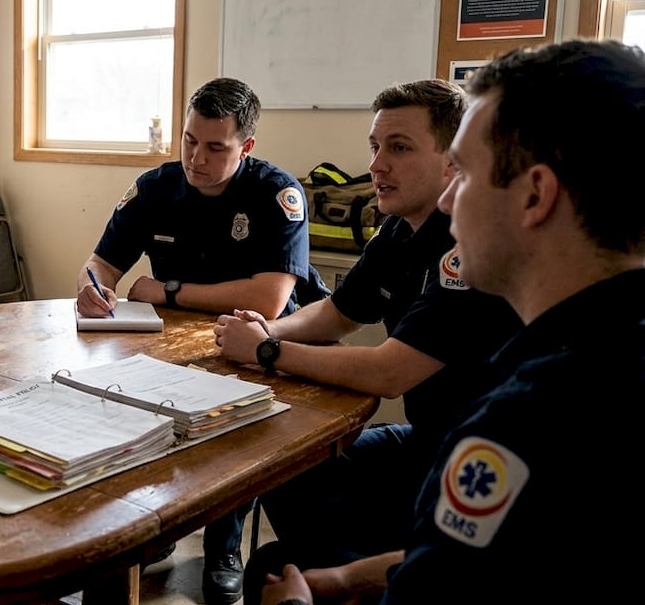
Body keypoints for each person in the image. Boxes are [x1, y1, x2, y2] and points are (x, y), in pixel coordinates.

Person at [260, 39, 645, 605]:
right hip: (426, 442)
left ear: (535, 195)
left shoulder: (526, 420)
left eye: (463, 173)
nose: (447, 203)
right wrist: (349, 578)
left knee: (276, 569)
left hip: (439, 445)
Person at [214, 79, 521, 605]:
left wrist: (266, 352)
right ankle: (340, 560)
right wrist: (266, 329)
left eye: (398, 148)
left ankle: (352, 572)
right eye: (375, 147)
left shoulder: (469, 244)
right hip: (429, 438)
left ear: (453, 162)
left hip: (476, 460)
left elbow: (390, 372)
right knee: (286, 465)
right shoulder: (399, 228)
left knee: (272, 563)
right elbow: (338, 313)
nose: (377, 164)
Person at [76, 76, 324, 604]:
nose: (197, 157)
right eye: (190, 140)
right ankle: (159, 529)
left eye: (216, 147)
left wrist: (165, 290)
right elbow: (100, 264)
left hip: (265, 343)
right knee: (129, 406)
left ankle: (223, 546)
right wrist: (91, 289)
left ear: (247, 147)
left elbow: (270, 300)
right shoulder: (154, 187)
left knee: (230, 427)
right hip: (175, 341)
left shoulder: (276, 193)